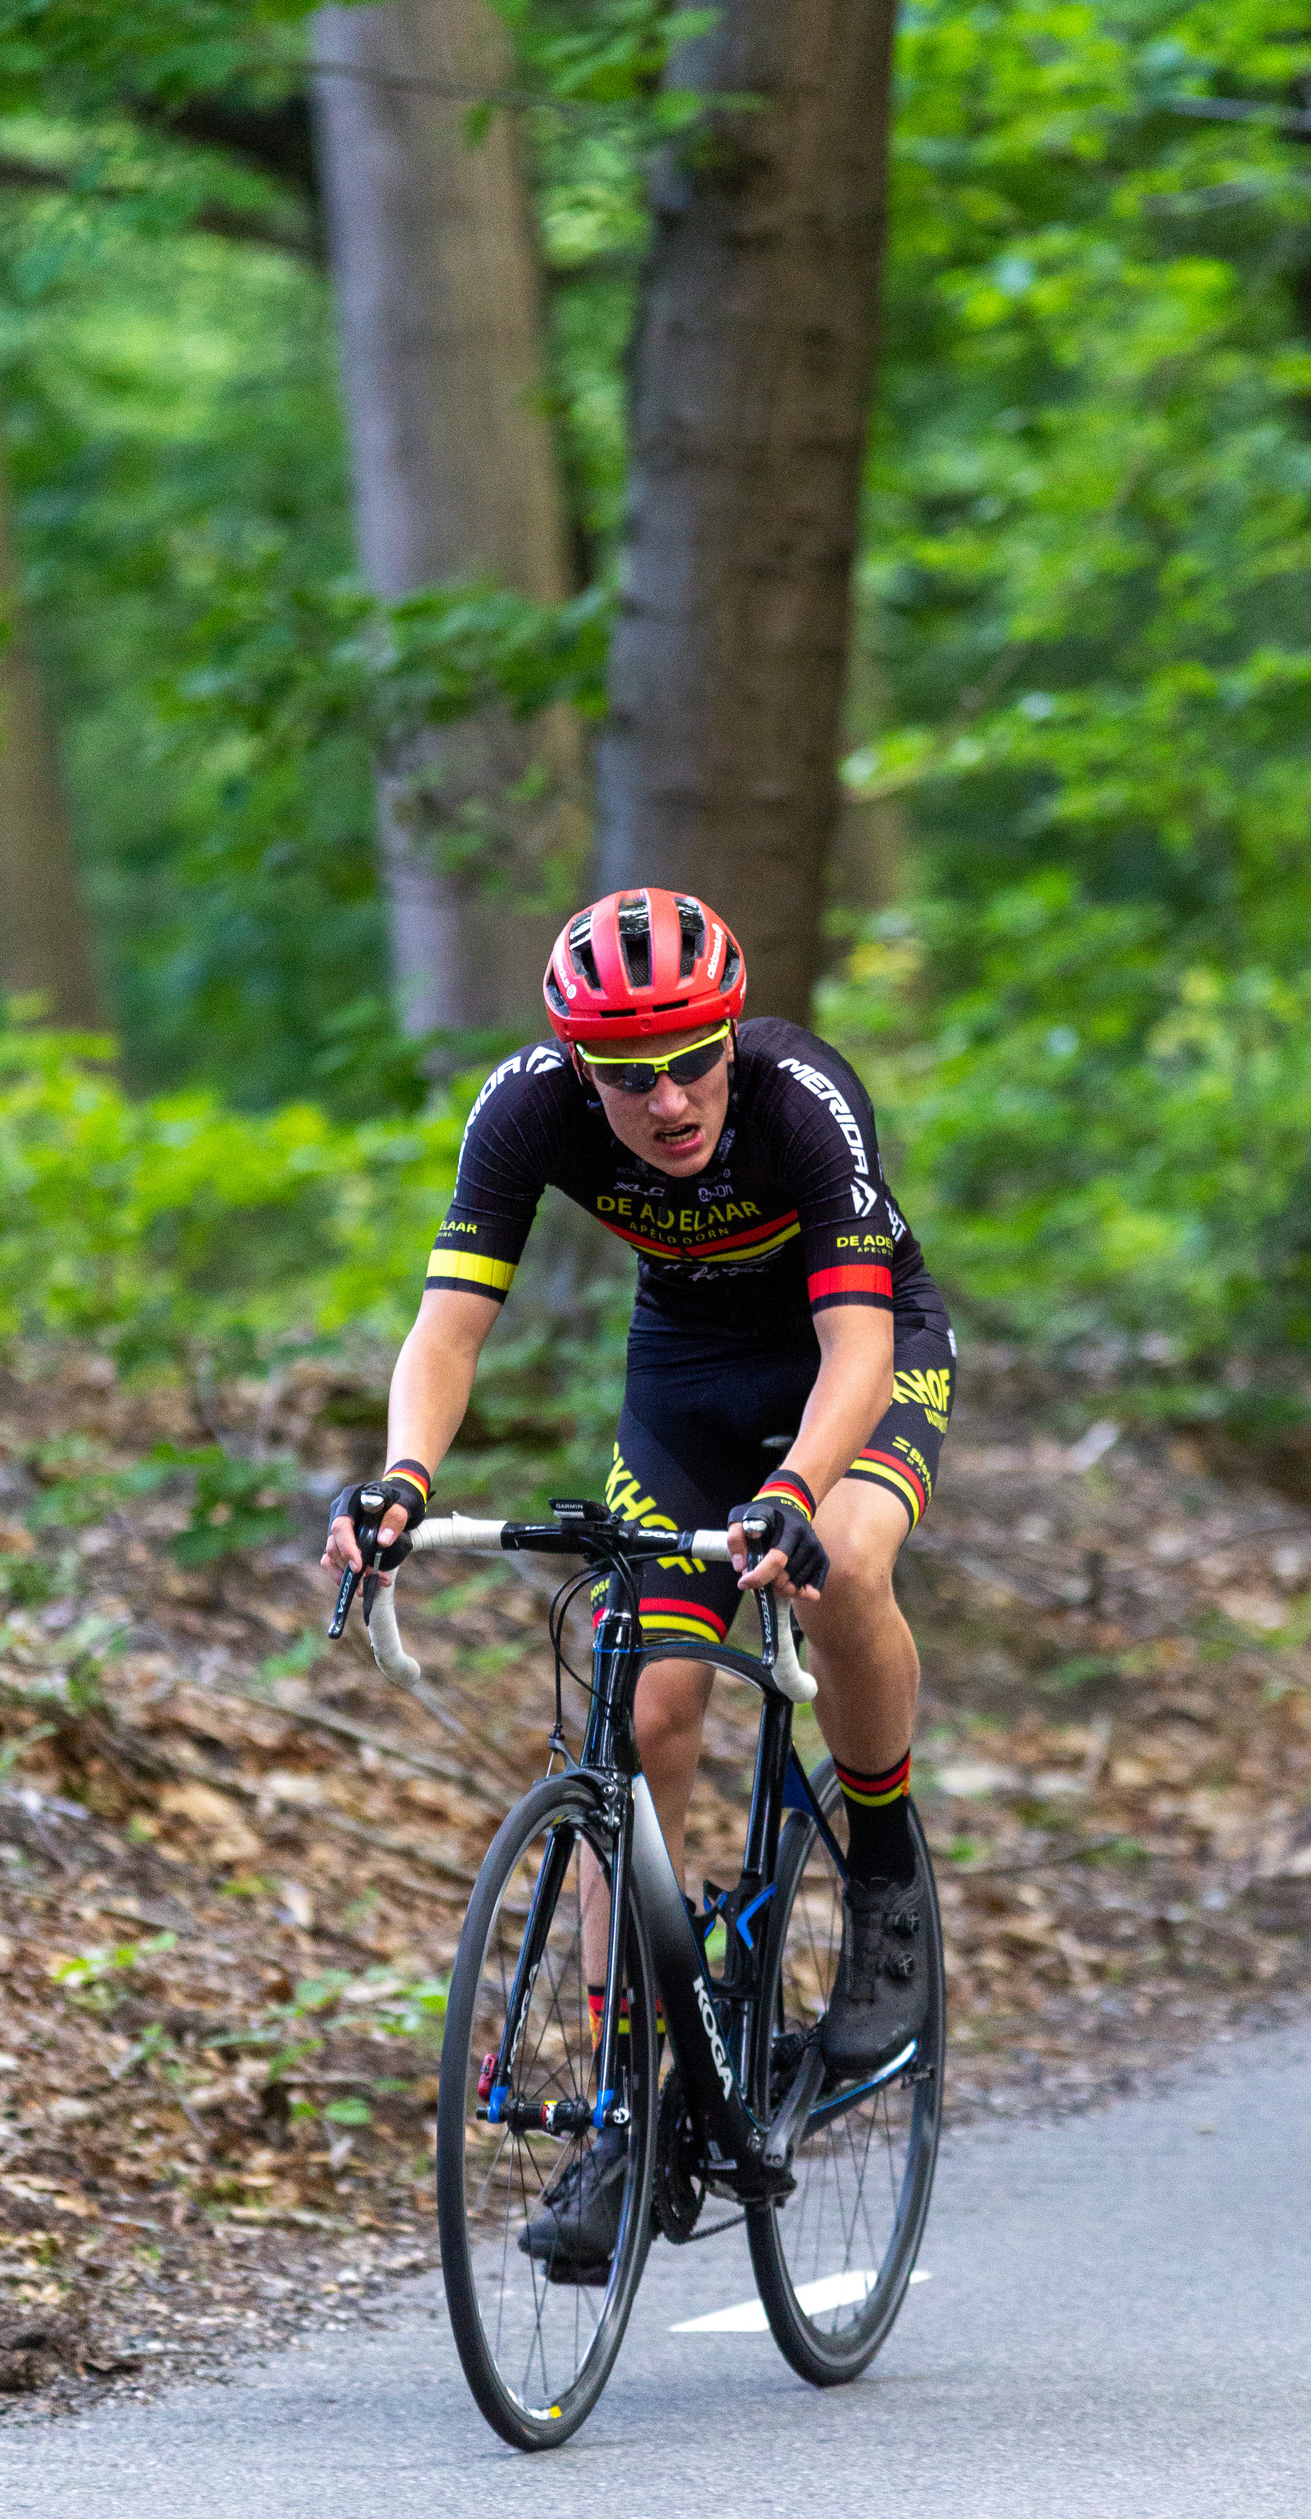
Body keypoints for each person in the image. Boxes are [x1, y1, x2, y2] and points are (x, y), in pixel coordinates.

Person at [322, 887, 952, 2265]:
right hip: (685, 1380)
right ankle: (629, 2110)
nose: (666, 1100)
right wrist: (402, 1479)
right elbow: (446, 1330)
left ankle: (888, 1871)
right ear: (578, 1067)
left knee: (837, 1566)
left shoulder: (800, 1098)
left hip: (856, 1351)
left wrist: (791, 1495)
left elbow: (854, 1355)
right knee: (645, 1713)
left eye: (689, 1060)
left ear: (731, 1037)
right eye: (627, 1074)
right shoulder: (526, 1109)